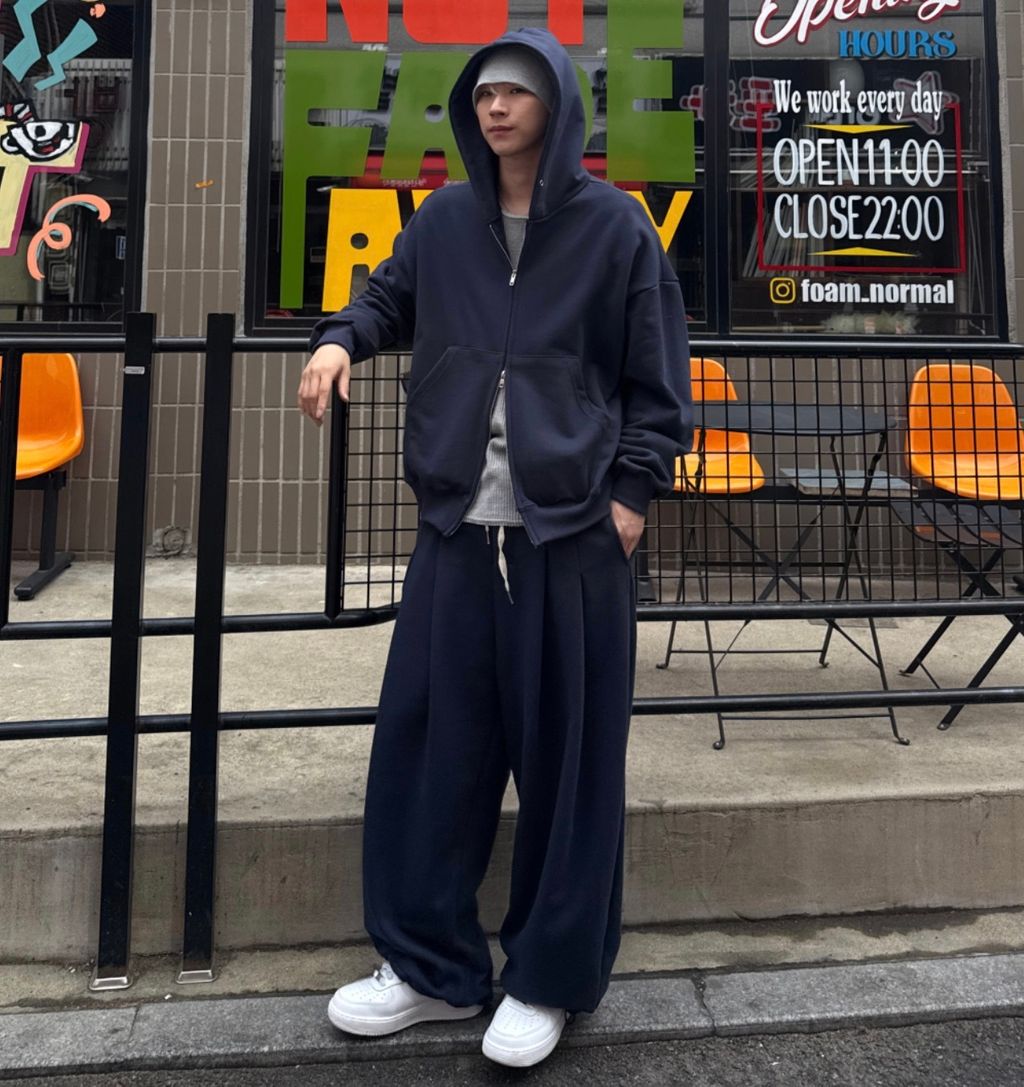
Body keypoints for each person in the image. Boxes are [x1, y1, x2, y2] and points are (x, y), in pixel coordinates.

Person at [297, 26, 692, 1069]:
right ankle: (431, 968)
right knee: (431, 756)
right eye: (483, 92)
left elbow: (658, 379)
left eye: (517, 90)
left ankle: (547, 977)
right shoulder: (442, 220)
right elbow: (385, 298)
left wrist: (630, 499)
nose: (496, 106)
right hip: (456, 534)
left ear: (557, 105)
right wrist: (337, 339)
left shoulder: (615, 227)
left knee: (570, 767)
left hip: (574, 538)